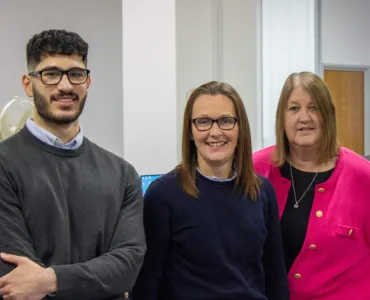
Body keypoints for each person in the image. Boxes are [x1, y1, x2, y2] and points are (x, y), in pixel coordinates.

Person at [0, 29, 145, 299]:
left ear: (88, 82)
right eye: (50, 74)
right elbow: (15, 279)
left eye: (76, 74)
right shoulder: (4, 165)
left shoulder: (123, 175)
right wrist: (98, 281)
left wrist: (50, 280)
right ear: (28, 83)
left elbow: (127, 268)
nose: (65, 86)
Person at [131, 81, 289, 300]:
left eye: (226, 121)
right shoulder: (162, 196)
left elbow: (276, 279)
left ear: (240, 128)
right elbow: (146, 284)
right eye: (203, 122)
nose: (215, 132)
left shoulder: (262, 192)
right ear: (190, 130)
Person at [253, 71, 370, 300]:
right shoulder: (254, 170)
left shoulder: (363, 177)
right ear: (282, 118)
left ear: (328, 116)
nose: (304, 118)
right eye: (294, 108)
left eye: (314, 108)